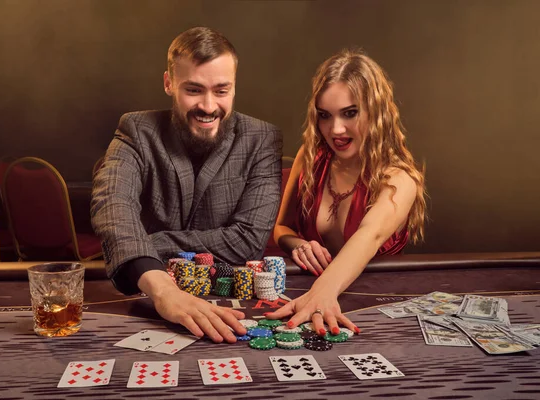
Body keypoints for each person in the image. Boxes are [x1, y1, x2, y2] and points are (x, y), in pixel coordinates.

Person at [91, 27, 282, 343]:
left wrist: (150, 242)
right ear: (168, 83)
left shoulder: (262, 139)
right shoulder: (136, 129)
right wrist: (163, 290)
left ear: (234, 87)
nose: (208, 106)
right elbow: (112, 204)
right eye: (193, 90)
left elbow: (248, 240)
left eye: (222, 90)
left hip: (230, 307)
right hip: (148, 300)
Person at [267, 50, 426, 336]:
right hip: (308, 293)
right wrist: (298, 245)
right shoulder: (312, 157)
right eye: (325, 116)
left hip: (372, 307)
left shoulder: (399, 180)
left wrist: (322, 293)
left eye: (350, 113)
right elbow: (282, 227)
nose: (335, 129)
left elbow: (369, 235)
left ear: (376, 111)